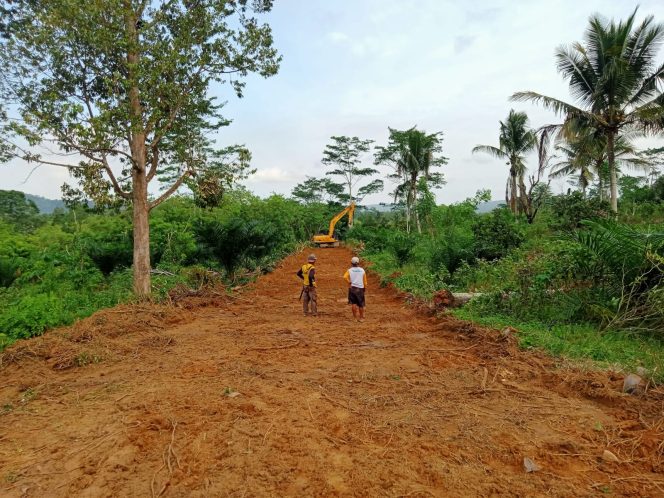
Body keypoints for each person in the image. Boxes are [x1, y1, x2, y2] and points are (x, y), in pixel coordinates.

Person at [344, 256, 367, 322]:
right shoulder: (362, 270)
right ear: (358, 263)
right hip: (360, 288)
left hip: (352, 288)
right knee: (361, 304)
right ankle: (361, 318)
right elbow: (365, 281)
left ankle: (354, 318)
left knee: (353, 303)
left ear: (351, 263)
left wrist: (349, 282)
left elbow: (345, 277)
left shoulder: (349, 270)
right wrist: (365, 287)